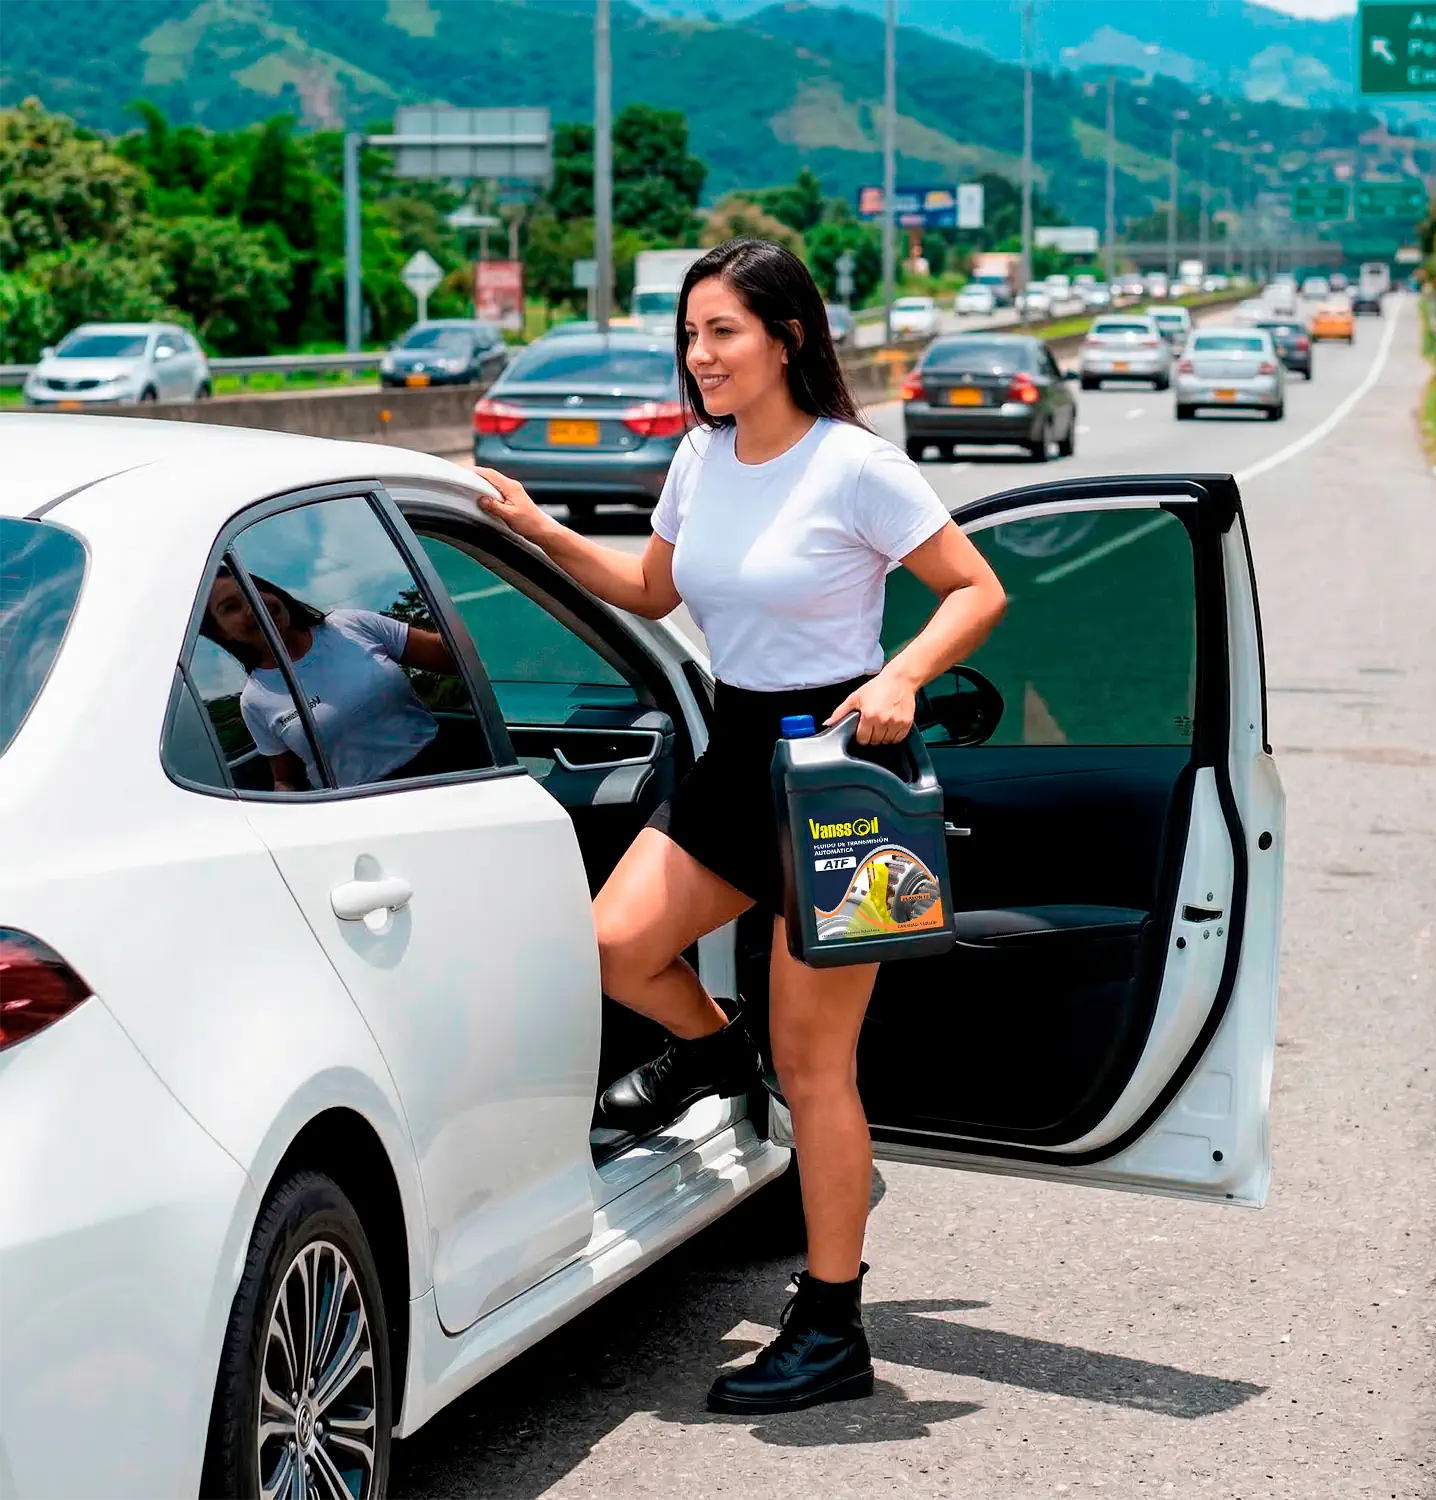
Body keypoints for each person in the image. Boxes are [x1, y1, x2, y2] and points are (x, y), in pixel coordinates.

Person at [473, 237, 1006, 1415]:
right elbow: (653, 593)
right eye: (692, 334)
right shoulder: (702, 459)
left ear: (789, 337)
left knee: (820, 1070)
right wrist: (536, 530)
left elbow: (977, 588)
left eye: (723, 332)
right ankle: (717, 1058)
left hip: (847, 774)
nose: (701, 356)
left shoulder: (856, 465)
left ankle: (831, 1324)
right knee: (614, 944)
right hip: (734, 754)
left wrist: (905, 676)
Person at [201, 567, 458, 791]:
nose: (252, 607)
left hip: (448, 775)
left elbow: (454, 656)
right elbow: (286, 778)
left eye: (253, 591)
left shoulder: (350, 626)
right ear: (223, 633)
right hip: (361, 810)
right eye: (231, 607)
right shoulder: (255, 700)